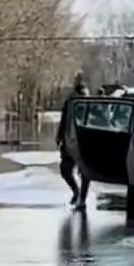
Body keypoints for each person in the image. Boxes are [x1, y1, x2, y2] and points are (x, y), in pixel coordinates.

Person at [56, 77, 90, 210]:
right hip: (69, 141)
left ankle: (82, 199)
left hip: (85, 143)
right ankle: (76, 191)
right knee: (65, 170)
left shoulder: (90, 104)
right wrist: (60, 136)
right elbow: (64, 121)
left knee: (85, 172)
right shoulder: (70, 104)